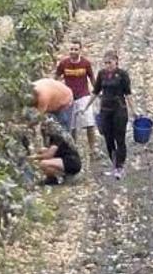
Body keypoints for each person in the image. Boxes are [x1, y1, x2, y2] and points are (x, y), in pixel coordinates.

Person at [82, 50, 137, 179]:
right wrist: (86, 107)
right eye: (105, 63)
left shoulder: (122, 75)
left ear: (116, 62)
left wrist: (134, 111)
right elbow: (95, 92)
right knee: (108, 138)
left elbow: (128, 93)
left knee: (120, 138)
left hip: (119, 110)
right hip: (105, 110)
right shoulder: (101, 74)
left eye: (110, 62)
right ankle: (114, 165)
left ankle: (120, 166)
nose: (108, 65)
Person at [56, 40, 98, 153]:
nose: (73, 51)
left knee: (89, 123)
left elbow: (92, 78)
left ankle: (92, 149)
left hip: (84, 96)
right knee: (72, 126)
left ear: (80, 50)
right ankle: (73, 149)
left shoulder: (86, 63)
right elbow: (56, 77)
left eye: (76, 49)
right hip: (69, 98)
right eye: (71, 49)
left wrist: (97, 91)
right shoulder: (63, 64)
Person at [29, 121, 82, 186]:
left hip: (71, 161)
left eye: (44, 129)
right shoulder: (59, 134)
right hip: (66, 158)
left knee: (43, 163)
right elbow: (49, 150)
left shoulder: (57, 137)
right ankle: (53, 177)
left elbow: (49, 155)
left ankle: (60, 177)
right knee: (42, 150)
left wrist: (34, 157)